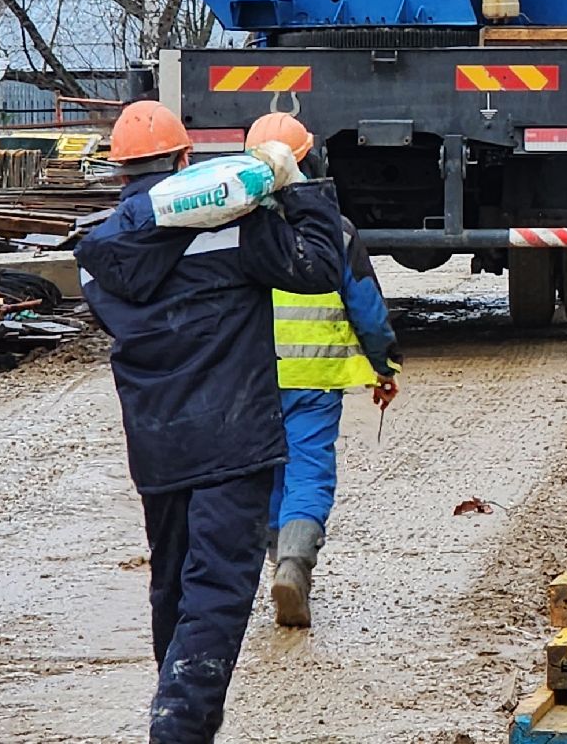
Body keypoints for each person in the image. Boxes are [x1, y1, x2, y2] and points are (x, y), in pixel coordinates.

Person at [77, 101, 347, 744]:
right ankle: (178, 730)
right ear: (183, 161)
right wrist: (297, 186)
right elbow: (319, 267)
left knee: (172, 587)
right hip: (234, 442)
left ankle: (179, 714)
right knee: (217, 595)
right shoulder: (237, 232)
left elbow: (131, 306)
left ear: (121, 172)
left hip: (157, 447)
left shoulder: (95, 254)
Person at [243, 112, 402, 629]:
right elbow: (367, 307)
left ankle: (275, 564)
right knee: (308, 468)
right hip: (315, 380)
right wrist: (384, 364)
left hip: (252, 378)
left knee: (267, 470)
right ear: (308, 160)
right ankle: (294, 564)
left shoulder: (234, 227)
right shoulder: (335, 230)